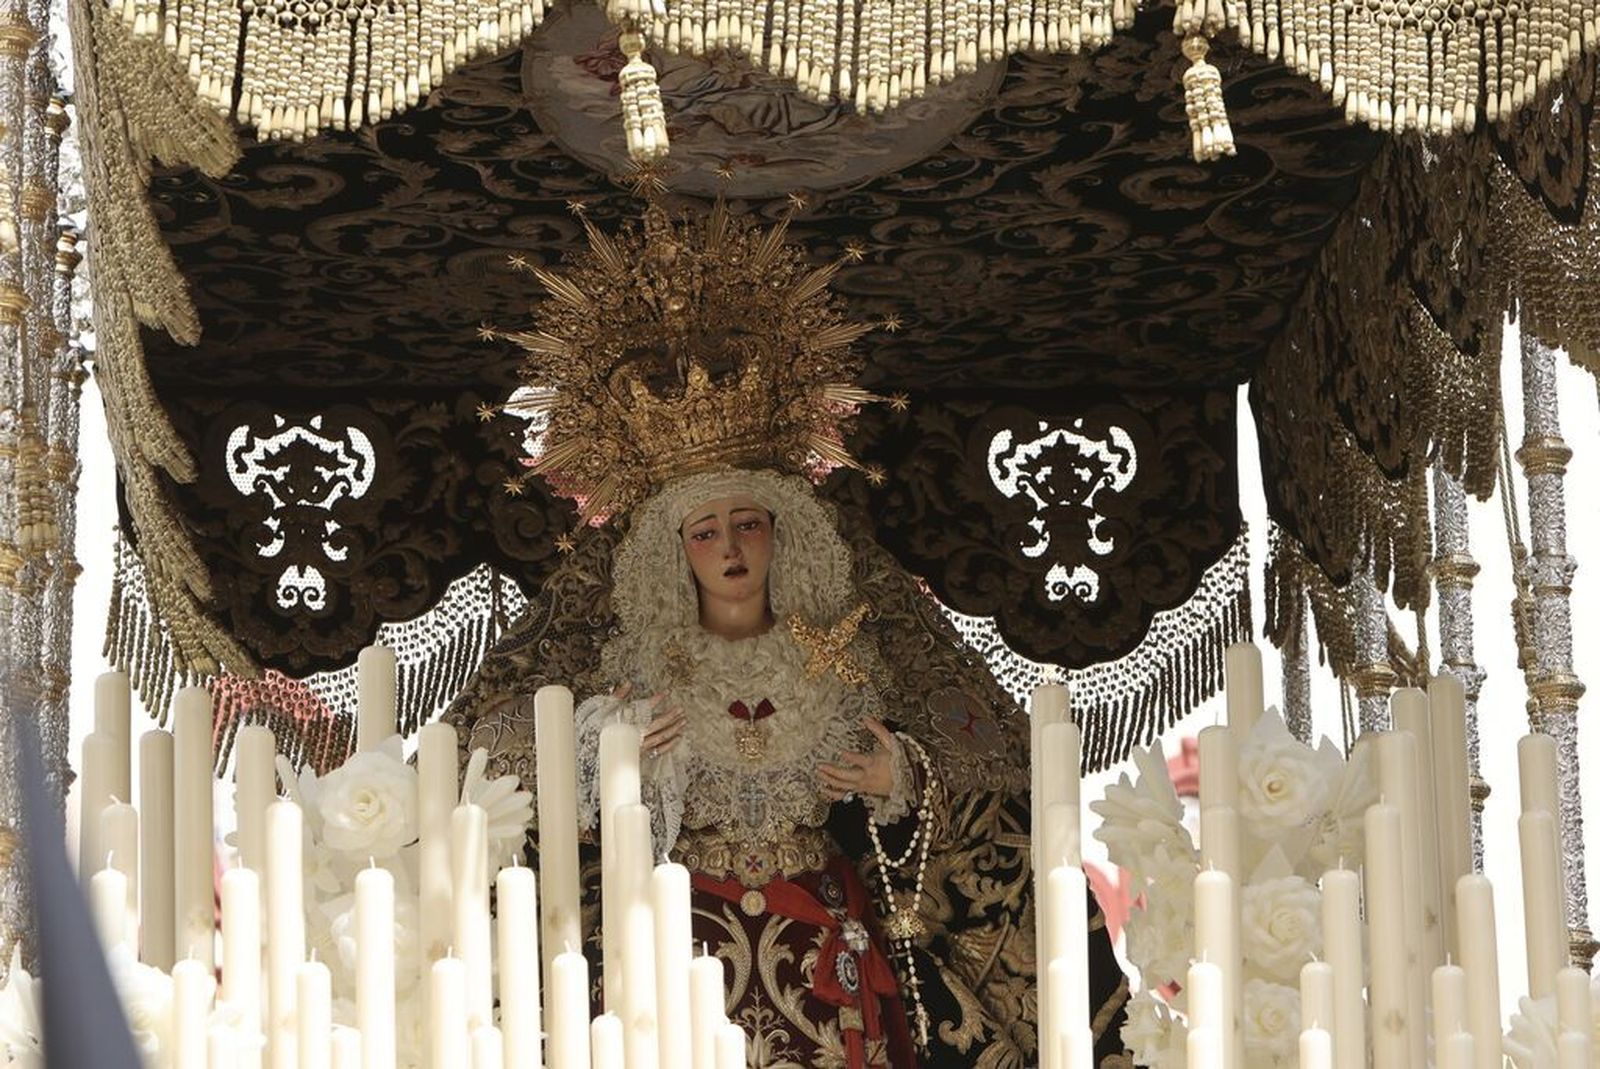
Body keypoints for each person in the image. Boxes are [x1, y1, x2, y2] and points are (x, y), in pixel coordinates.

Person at [444, 198, 1130, 1067]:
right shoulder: (631, 668)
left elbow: (980, 759)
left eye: (748, 522)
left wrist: (903, 778)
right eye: (705, 531)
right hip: (672, 953)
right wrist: (601, 752)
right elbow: (493, 755)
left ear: (786, 528)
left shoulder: (846, 649)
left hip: (830, 953)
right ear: (672, 554)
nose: (730, 548)